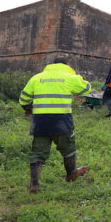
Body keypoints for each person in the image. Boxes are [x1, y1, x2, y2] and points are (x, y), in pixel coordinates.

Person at [18, 56, 91, 194]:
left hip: (40, 122)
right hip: (62, 121)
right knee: (68, 148)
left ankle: (34, 185)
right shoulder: (69, 77)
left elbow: (23, 98)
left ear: (52, 64)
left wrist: (28, 108)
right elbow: (87, 89)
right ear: (66, 65)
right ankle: (71, 174)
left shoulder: (37, 78)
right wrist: (75, 75)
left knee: (37, 153)